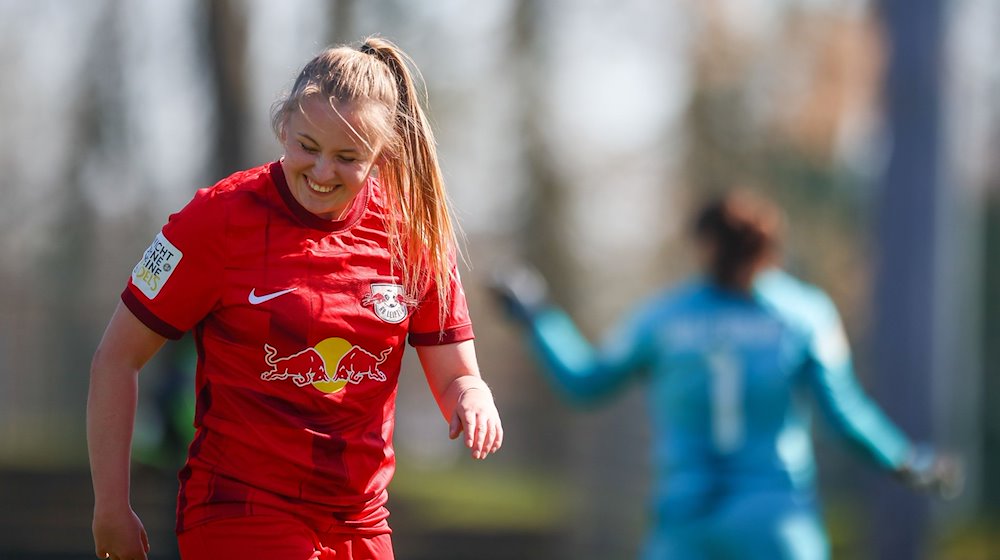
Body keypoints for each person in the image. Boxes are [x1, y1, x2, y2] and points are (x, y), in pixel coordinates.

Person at [88, 36, 503, 560]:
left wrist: (472, 394)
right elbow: (115, 359)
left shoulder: (412, 234)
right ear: (283, 124)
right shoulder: (213, 221)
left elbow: (456, 373)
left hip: (362, 520)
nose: (322, 171)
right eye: (307, 146)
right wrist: (111, 506)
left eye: (348, 157)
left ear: (382, 154)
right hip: (241, 510)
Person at [491, 189, 960, 559]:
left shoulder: (663, 319)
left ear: (704, 246)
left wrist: (536, 316)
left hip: (686, 524)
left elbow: (585, 382)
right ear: (770, 247)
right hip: (776, 526)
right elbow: (846, 415)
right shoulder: (804, 315)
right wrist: (908, 460)